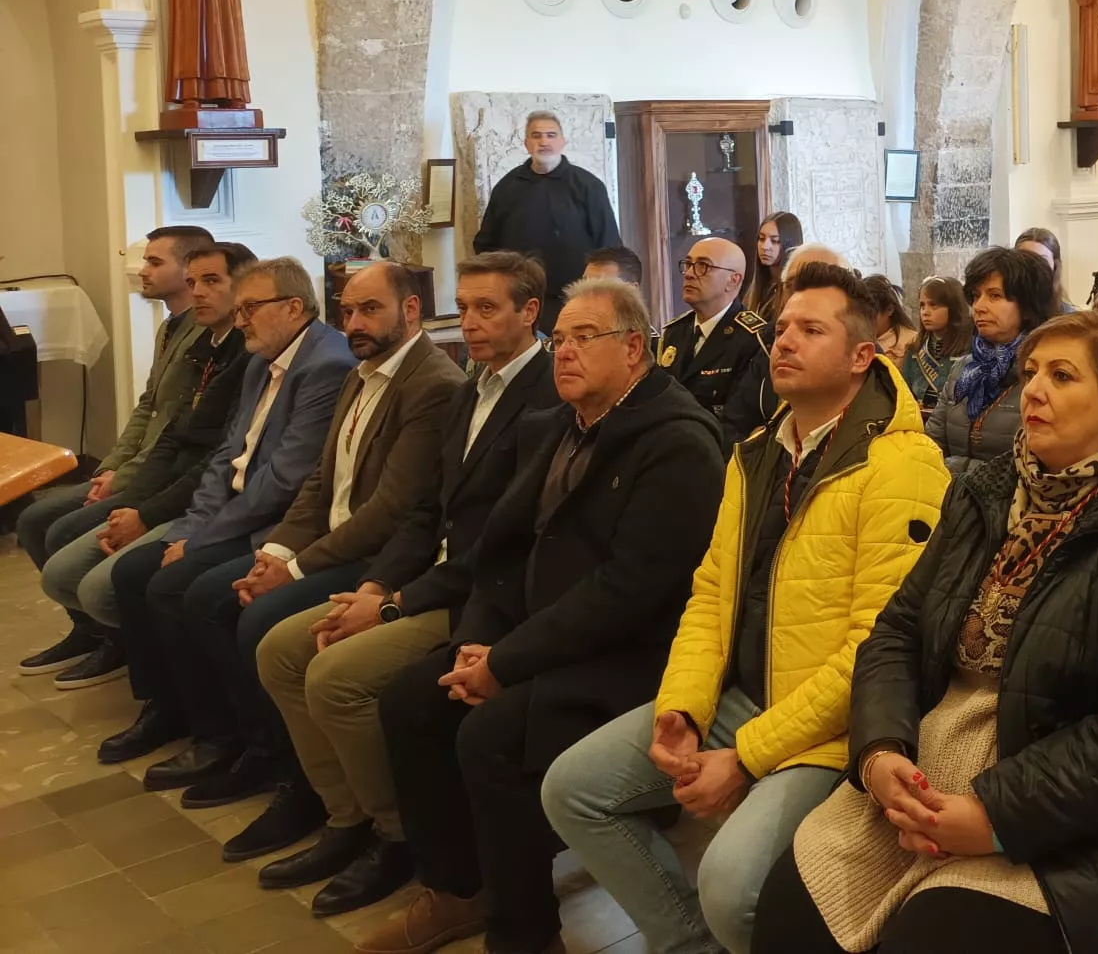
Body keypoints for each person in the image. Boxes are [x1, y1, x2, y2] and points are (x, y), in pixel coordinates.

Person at [756, 311, 1098, 954]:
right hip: (932, 768)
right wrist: (879, 751)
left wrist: (995, 816)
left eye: (1062, 376)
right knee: (786, 916)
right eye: (1031, 372)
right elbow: (897, 632)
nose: (1034, 389)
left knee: (934, 939)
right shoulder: (983, 493)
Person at [542, 262, 948, 954]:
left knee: (733, 887)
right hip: (743, 696)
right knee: (574, 790)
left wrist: (747, 757)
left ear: (861, 356)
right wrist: (683, 709)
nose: (784, 340)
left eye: (810, 330)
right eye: (783, 326)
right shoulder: (756, 454)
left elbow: (878, 649)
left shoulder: (900, 465)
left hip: (834, 728)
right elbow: (711, 596)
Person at [355, 278, 726, 954]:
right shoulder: (559, 424)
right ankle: (457, 890)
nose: (565, 352)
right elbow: (501, 550)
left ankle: (522, 932)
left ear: (634, 349)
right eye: (560, 339)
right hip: (538, 637)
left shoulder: (678, 443)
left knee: (490, 736)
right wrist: (477, 641)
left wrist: (507, 662)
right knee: (412, 700)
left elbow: (629, 591)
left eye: (585, 337)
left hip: (631, 655)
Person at [252, 253, 562, 915]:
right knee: (280, 649)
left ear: (530, 312)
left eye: (487, 308)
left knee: (334, 676)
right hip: (428, 573)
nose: (469, 323)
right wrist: (377, 585)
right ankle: (347, 817)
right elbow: (426, 511)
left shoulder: (548, 396)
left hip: (482, 594)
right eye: (465, 307)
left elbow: (502, 541)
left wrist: (396, 605)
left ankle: (396, 838)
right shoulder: (474, 386)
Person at [179, 261, 463, 853]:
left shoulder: (431, 383)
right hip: (331, 542)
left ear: (411, 310)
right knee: (222, 597)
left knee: (259, 621)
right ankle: (305, 783)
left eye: (370, 309)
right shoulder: (360, 374)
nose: (353, 323)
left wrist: (294, 569)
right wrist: (277, 551)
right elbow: (318, 483)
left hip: (379, 557)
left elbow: (390, 511)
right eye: (347, 310)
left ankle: (311, 791)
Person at [96, 258, 357, 771]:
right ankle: (171, 707)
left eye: (250, 309)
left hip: (276, 522)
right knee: (133, 572)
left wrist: (199, 542)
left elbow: (285, 479)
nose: (240, 322)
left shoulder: (326, 364)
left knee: (182, 588)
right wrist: (194, 527)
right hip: (234, 511)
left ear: (293, 307)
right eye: (239, 310)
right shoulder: (261, 359)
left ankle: (230, 737)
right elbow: (226, 456)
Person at [30, 240, 249, 690]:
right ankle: (108, 638)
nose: (198, 291)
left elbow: (220, 458)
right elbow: (161, 420)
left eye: (210, 281)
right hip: (158, 477)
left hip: (195, 495)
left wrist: (142, 508)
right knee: (45, 529)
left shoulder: (246, 356)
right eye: (194, 282)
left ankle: (134, 656)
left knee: (91, 566)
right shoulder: (196, 340)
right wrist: (118, 479)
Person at [473, 112, 623, 333]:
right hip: (519, 300)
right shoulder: (507, 187)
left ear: (562, 142)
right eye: (536, 136)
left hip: (575, 298)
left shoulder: (588, 186)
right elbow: (485, 245)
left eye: (551, 135)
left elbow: (609, 246)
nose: (544, 142)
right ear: (526, 143)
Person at [926, 248, 1054, 472]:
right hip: (946, 488)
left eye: (995, 296)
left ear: (1027, 307)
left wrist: (958, 470)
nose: (979, 307)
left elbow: (1039, 466)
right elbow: (931, 443)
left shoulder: (1043, 375)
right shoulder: (963, 369)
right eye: (976, 296)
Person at [655, 237, 774, 445]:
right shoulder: (673, 333)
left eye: (703, 266)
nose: (689, 273)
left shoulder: (755, 339)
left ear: (733, 280)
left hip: (716, 453)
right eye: (688, 264)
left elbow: (738, 424)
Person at [901, 276, 972, 414]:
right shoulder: (915, 349)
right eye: (922, 305)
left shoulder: (972, 347)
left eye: (934, 305)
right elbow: (905, 392)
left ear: (953, 307)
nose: (925, 312)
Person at [744, 212, 804, 319]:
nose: (765, 247)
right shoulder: (758, 286)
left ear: (790, 244)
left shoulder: (796, 290)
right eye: (761, 238)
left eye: (775, 241)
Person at [1012, 228, 1076, 313]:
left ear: (1055, 265)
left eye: (1042, 260)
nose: (1032, 266)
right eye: (1025, 258)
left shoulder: (1067, 315)